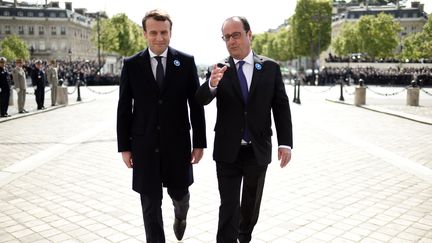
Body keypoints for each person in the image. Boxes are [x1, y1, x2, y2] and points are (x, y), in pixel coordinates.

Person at [195, 16, 293, 243]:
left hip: (257, 150)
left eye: (236, 35)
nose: (231, 41)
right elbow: (200, 99)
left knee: (250, 205)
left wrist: (285, 143)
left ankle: (244, 237)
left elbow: (281, 107)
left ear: (249, 35)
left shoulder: (269, 68)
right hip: (228, 151)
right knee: (228, 206)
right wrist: (211, 84)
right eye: (226, 37)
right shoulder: (218, 68)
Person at [116, 9, 206, 243]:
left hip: (177, 145)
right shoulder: (132, 64)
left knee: (180, 194)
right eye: (153, 32)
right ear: (144, 33)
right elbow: (124, 108)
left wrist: (199, 143)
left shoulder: (185, 62)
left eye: (164, 32)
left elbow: (196, 105)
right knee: (150, 204)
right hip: (144, 145)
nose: (159, 38)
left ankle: (181, 215)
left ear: (170, 32)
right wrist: (125, 147)